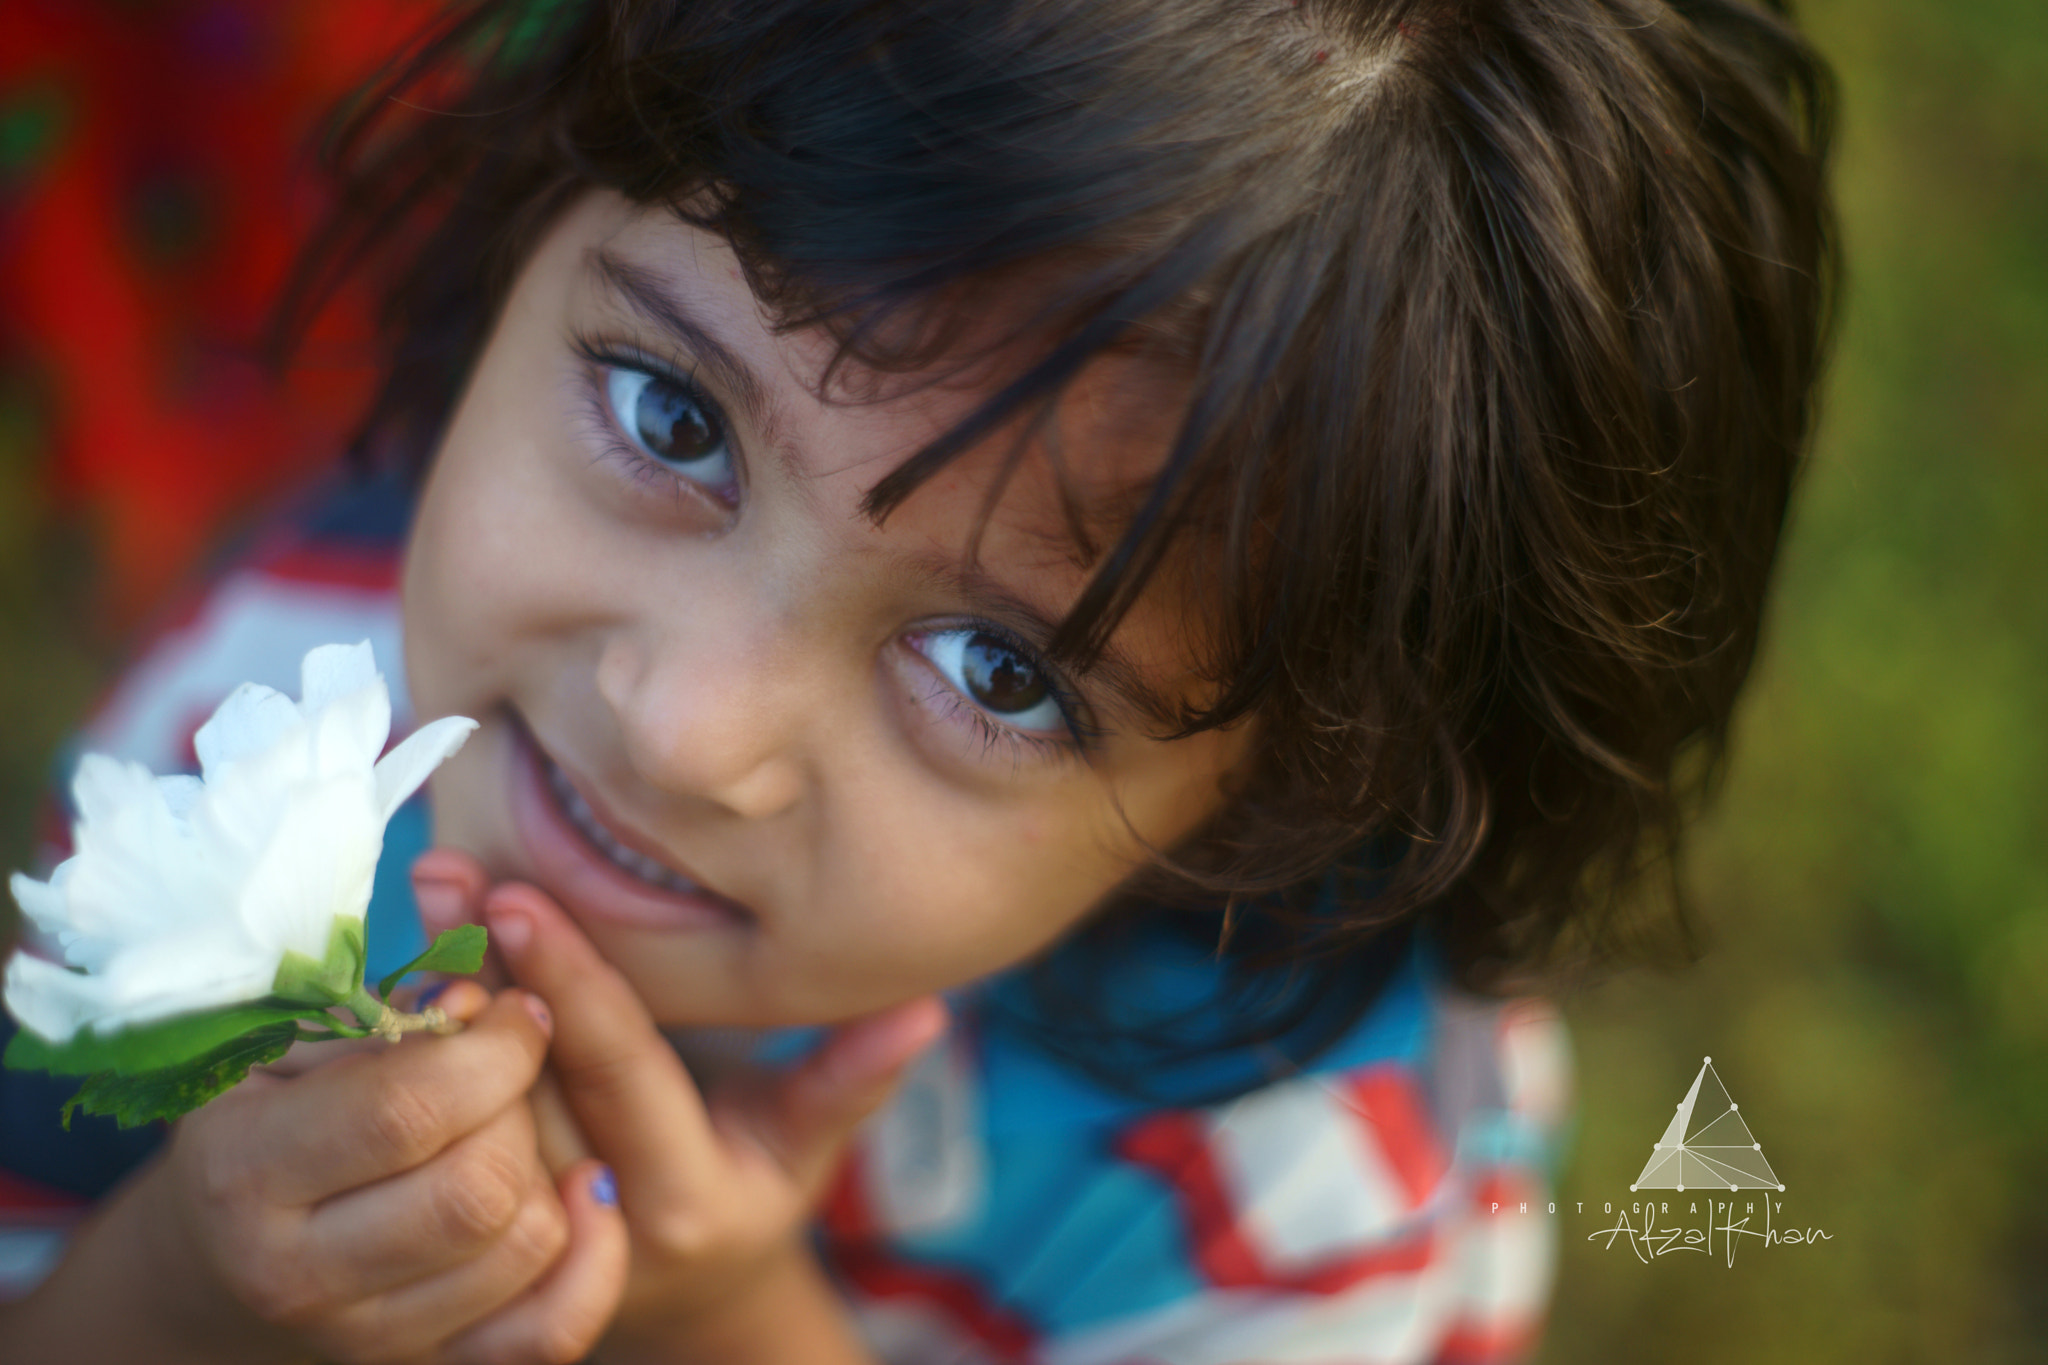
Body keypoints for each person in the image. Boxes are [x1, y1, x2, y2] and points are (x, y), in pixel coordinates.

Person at [0, 0, 1834, 1359]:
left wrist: (711, 1317)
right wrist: (180, 1286)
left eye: (1003, 671)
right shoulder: (255, 743)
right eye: (673, 413)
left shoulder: (1292, 1206)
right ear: (535, 212)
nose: (681, 725)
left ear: (1282, 802)